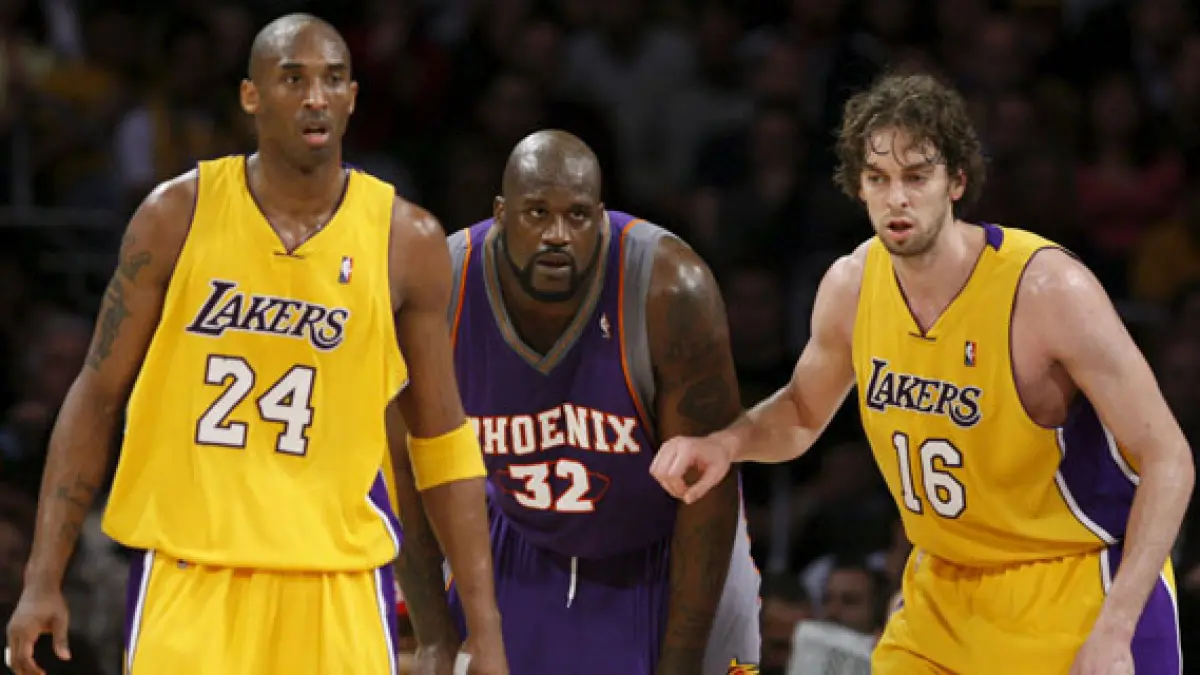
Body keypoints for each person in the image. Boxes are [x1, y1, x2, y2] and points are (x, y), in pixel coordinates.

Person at [5, 14, 508, 675]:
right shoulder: (176, 215)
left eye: (333, 80)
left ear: (353, 97)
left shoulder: (405, 240)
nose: (315, 98)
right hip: (193, 574)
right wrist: (43, 576)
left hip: (338, 581)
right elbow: (97, 394)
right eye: (292, 79)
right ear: (250, 95)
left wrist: (484, 629)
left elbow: (441, 439)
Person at [651, 73, 1194, 675]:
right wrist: (726, 444)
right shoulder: (851, 286)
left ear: (956, 182)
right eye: (878, 178)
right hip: (942, 592)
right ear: (858, 186)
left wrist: (1117, 628)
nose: (897, 199)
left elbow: (1168, 457)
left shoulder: (1046, 289)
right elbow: (803, 413)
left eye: (916, 177)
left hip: (1072, 586)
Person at [388, 129, 761, 675]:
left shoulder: (671, 291)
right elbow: (401, 469)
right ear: (501, 213)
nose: (557, 235)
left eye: (578, 216)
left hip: (670, 546)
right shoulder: (442, 288)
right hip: (523, 535)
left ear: (601, 217)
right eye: (537, 213)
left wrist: (679, 662)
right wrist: (433, 636)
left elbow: (707, 489)